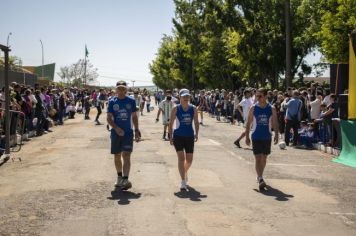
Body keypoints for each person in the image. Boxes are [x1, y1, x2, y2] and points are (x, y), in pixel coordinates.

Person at [107, 81, 141, 190]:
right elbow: (108, 118)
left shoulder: (131, 101)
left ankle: (125, 179)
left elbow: (134, 117)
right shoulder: (112, 102)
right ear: (116, 90)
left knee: (126, 155)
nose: (121, 91)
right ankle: (119, 177)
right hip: (116, 133)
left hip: (128, 133)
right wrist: (116, 128)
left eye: (123, 89)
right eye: (119, 89)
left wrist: (136, 130)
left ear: (126, 90)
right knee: (117, 155)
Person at [245, 88, 278, 191]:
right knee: (258, 157)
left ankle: (260, 175)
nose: (258, 98)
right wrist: (247, 136)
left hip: (267, 136)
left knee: (264, 158)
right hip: (256, 136)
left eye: (260, 96)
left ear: (265, 96)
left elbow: (275, 122)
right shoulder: (253, 108)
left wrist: (276, 134)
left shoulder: (271, 108)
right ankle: (260, 178)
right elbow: (248, 123)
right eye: (256, 96)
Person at [168, 88, 199, 191]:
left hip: (189, 136)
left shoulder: (193, 108)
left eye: (187, 96)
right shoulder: (175, 108)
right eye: (184, 96)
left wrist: (196, 133)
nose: (186, 98)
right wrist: (170, 136)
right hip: (178, 136)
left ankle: (184, 172)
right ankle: (182, 181)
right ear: (180, 97)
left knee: (189, 160)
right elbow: (171, 123)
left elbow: (196, 122)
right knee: (181, 159)